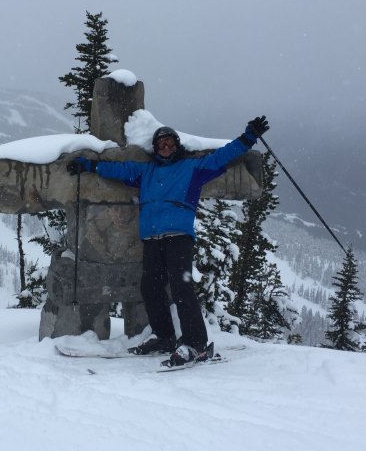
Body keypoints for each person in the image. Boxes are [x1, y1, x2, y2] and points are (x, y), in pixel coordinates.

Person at [66, 115, 270, 365]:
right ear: (155, 148)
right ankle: (164, 336)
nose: (165, 147)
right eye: (161, 144)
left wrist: (248, 137)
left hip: (179, 238)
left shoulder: (192, 168)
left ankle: (196, 344)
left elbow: (222, 157)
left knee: (181, 288)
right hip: (152, 239)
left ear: (177, 145)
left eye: (170, 143)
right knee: (150, 288)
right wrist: (90, 166)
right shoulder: (146, 171)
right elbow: (121, 170)